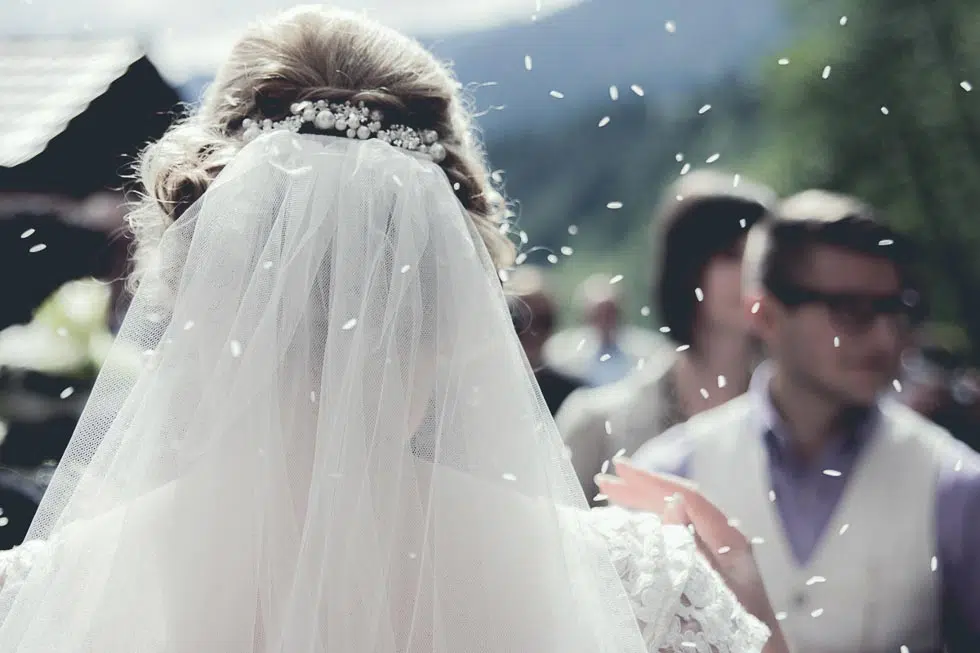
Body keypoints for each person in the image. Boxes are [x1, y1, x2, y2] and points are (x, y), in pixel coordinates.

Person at [0, 7, 786, 653]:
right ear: (460, 305)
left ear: (186, 287)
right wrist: (751, 620)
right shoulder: (636, 587)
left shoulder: (40, 599)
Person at [634, 189, 980, 653]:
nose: (884, 336)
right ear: (767, 315)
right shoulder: (671, 476)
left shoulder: (955, 487)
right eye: (851, 311)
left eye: (895, 308)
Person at [556, 170, 773, 503]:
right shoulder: (596, 427)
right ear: (687, 266)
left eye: (761, 255)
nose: (750, 271)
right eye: (731, 254)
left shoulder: (806, 420)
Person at [506, 266, 584, 415]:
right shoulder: (484, 388)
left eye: (543, 321)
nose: (532, 332)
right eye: (521, 320)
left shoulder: (572, 395)